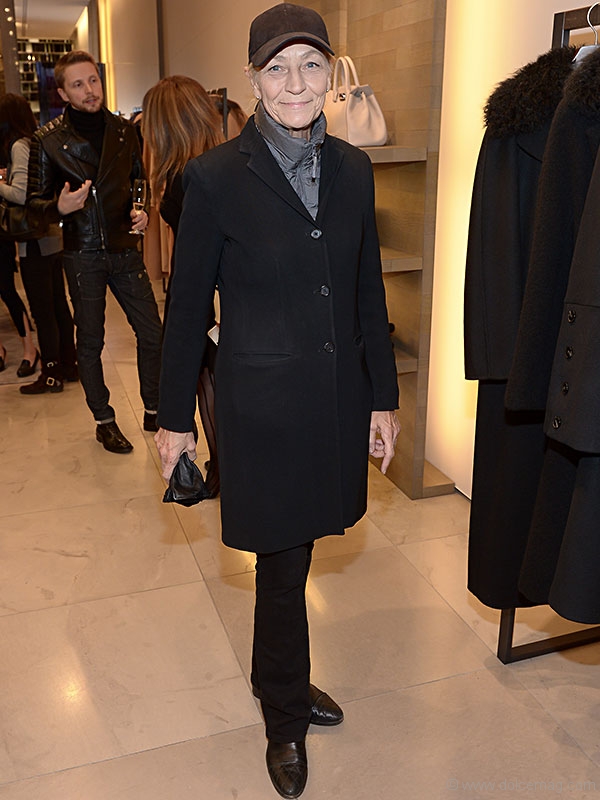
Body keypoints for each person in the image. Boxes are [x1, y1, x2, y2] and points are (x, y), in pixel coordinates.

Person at [155, 4, 400, 797]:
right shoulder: (214, 178)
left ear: (331, 74)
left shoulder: (355, 169)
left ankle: (280, 680)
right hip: (261, 404)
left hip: (337, 397)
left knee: (304, 548)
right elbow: (186, 308)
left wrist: (384, 398)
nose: (296, 83)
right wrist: (173, 421)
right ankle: (284, 717)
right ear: (254, 79)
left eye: (311, 64)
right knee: (281, 563)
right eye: (277, 67)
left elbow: (367, 290)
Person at [26, 50, 162, 451]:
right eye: (78, 84)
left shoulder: (123, 130)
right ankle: (104, 420)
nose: (89, 90)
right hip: (82, 253)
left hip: (124, 248)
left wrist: (141, 210)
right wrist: (59, 207)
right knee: (90, 341)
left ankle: (154, 408)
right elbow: (33, 205)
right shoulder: (48, 141)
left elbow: (139, 179)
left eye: (93, 80)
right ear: (63, 93)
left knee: (152, 332)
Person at [141, 75, 225, 496]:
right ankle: (223, 466)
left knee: (208, 378)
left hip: (202, 294)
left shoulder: (183, 177)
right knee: (213, 380)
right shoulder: (221, 165)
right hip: (224, 293)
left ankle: (224, 469)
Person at [0, 93, 77, 394]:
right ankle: (68, 364)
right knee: (57, 304)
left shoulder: (19, 146)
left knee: (43, 308)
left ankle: (51, 372)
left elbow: (21, 194)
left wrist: (0, 184)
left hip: (34, 238)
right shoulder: (38, 141)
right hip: (51, 234)